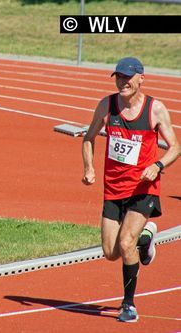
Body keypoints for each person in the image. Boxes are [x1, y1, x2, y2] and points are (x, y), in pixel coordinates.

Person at [82, 57, 179, 323]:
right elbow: (89, 138)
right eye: (118, 77)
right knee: (111, 252)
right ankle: (146, 238)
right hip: (113, 188)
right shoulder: (107, 105)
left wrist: (157, 165)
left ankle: (128, 304)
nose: (122, 82)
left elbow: (175, 147)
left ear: (141, 78)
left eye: (127, 77)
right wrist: (89, 168)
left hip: (143, 188)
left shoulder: (154, 109)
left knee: (125, 243)